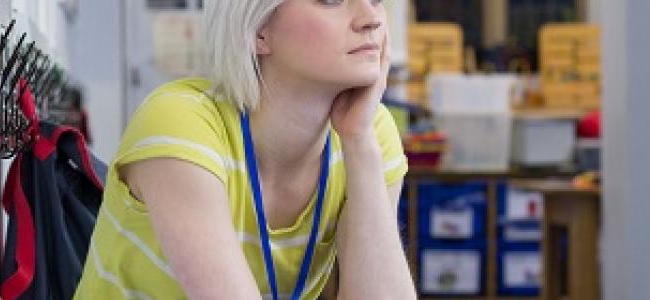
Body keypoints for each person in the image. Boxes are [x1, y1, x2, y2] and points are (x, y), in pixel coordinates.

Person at [74, 0, 415, 299]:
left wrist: (359, 141)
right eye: (330, 0)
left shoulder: (368, 132)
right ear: (258, 30)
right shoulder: (179, 124)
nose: (371, 18)